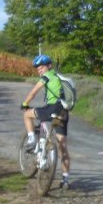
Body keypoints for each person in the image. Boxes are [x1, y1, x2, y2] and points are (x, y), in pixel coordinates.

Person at [21, 54, 70, 189]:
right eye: (37, 69)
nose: (39, 70)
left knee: (27, 115)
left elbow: (34, 92)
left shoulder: (47, 76)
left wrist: (25, 103)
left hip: (52, 108)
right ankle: (65, 179)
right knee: (63, 147)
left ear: (49, 66)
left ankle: (31, 139)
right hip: (63, 112)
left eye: (41, 67)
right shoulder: (60, 78)